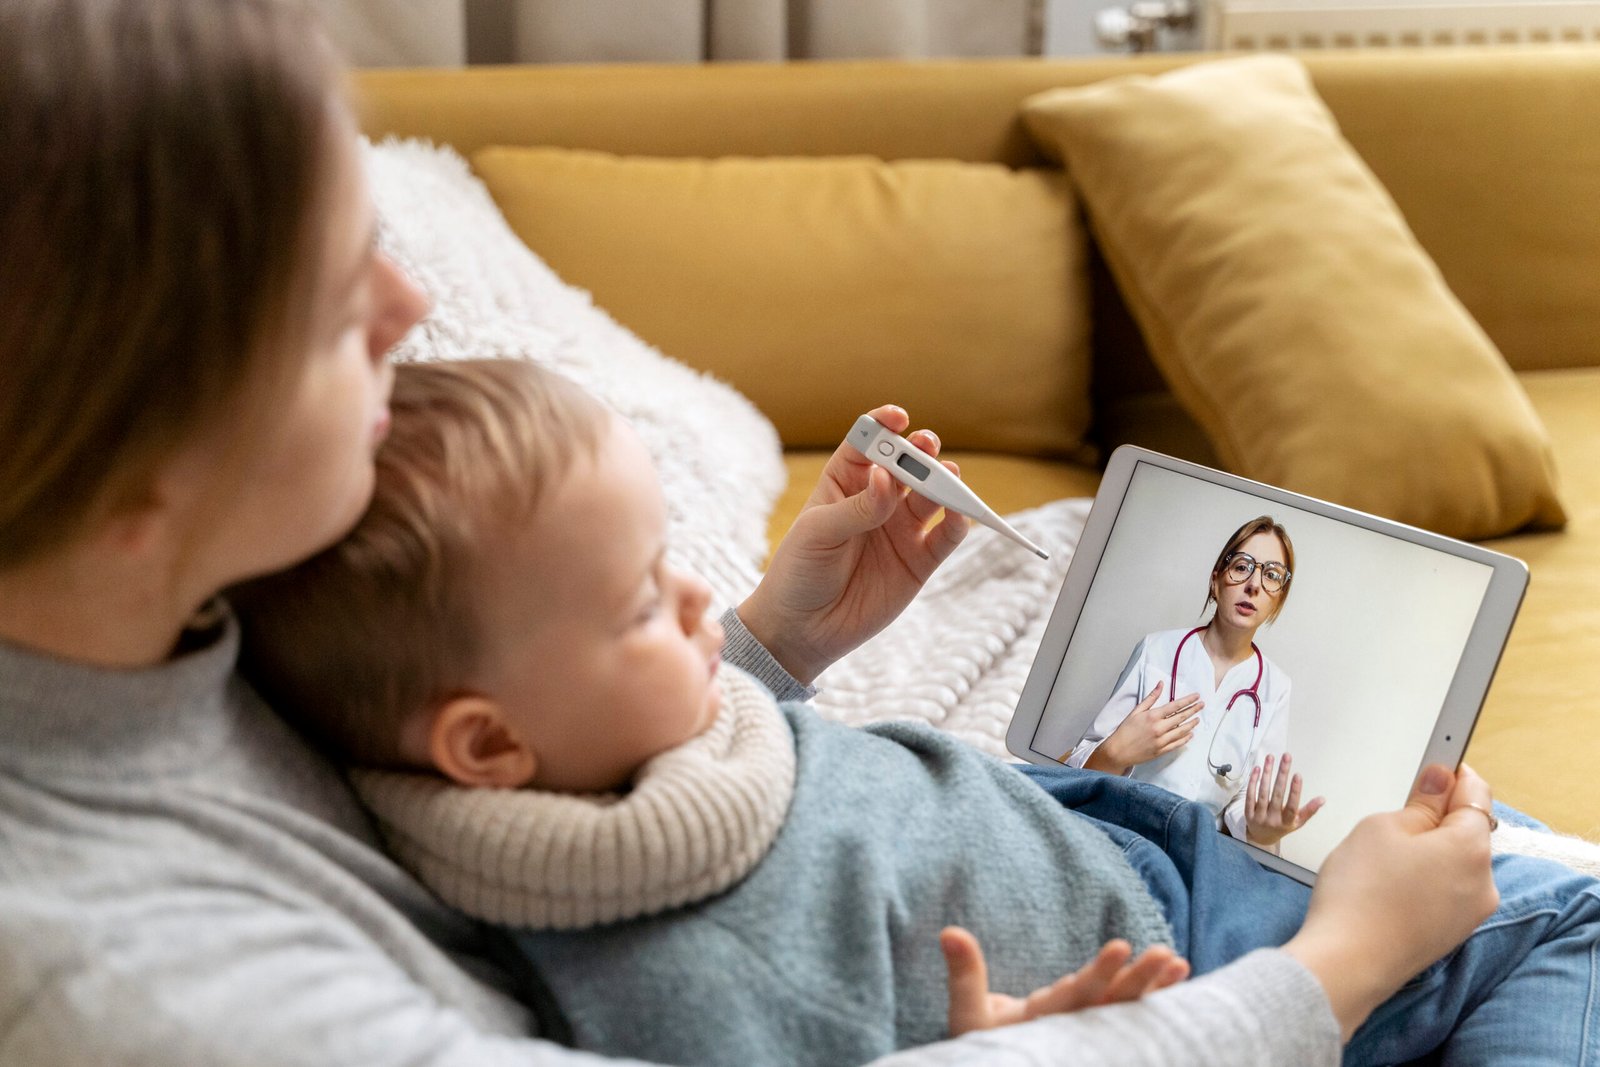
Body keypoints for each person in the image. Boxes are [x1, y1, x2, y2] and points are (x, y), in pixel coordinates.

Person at [0, 1, 1587, 1065]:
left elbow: (509, 743)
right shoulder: (120, 963)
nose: (410, 306)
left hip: (1114, 888)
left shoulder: (185, 623)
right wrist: (1334, 969)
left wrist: (758, 649)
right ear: (135, 435)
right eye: (328, 297)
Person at [230, 357, 1600, 1067]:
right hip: (1201, 947)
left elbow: (665, 772)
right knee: (1569, 914)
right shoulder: (670, 975)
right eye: (646, 603)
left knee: (1488, 847)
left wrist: (779, 637)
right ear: (483, 741)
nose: (698, 605)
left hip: (1128, 833)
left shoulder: (561, 780)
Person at [1063, 518, 1324, 849]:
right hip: (1120, 829)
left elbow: (1245, 807)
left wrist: (1263, 830)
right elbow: (1078, 762)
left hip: (1196, 850)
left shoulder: (1275, 688)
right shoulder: (1156, 650)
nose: (1253, 585)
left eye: (1271, 575)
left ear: (1278, 599)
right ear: (1216, 580)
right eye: (1242, 567)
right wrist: (1114, 753)